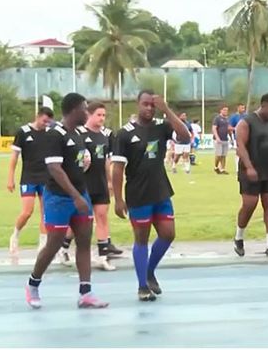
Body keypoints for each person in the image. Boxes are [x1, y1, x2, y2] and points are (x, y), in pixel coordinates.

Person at [25, 93, 108, 309]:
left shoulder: (78, 134)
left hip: (81, 195)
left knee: (83, 242)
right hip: (60, 198)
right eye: (84, 108)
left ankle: (85, 292)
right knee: (53, 245)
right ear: (73, 110)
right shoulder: (55, 134)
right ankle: (33, 284)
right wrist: (75, 196)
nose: (87, 111)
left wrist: (84, 167)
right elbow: (54, 168)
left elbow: (77, 163)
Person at [112, 90, 191, 301]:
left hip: (161, 190)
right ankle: (141, 286)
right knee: (141, 239)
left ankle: (149, 271)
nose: (149, 108)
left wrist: (166, 110)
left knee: (168, 234)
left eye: (152, 105)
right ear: (137, 104)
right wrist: (118, 199)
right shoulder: (124, 133)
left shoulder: (161, 126)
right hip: (138, 194)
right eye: (145, 104)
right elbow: (118, 168)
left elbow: (184, 136)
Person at [59, 102, 123, 271]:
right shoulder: (79, 133)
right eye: (98, 115)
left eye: (104, 115)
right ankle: (63, 247)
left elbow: (107, 161)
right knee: (80, 222)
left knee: (102, 217)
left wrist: (109, 181)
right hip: (83, 185)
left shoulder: (105, 135)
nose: (102, 118)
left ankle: (102, 257)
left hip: (100, 183)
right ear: (89, 115)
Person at [233, 93, 268, 258]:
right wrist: (249, 167)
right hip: (250, 169)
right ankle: (239, 237)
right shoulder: (247, 122)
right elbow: (240, 146)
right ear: (262, 106)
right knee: (250, 204)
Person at [7, 107, 54, 257]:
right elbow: (14, 157)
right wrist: (10, 178)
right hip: (28, 177)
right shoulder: (23, 132)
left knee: (45, 213)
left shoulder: (49, 133)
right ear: (38, 116)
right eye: (44, 121)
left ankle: (42, 244)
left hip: (45, 177)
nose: (45, 124)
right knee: (27, 211)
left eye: (48, 122)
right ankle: (15, 235)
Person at [212, 106, 230, 174]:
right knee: (218, 154)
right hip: (218, 139)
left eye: (227, 110)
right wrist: (217, 137)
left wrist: (230, 137)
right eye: (224, 110)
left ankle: (222, 169)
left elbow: (228, 129)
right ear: (221, 110)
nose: (226, 112)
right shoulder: (217, 118)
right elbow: (214, 128)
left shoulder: (227, 119)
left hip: (225, 138)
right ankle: (216, 167)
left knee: (224, 155)